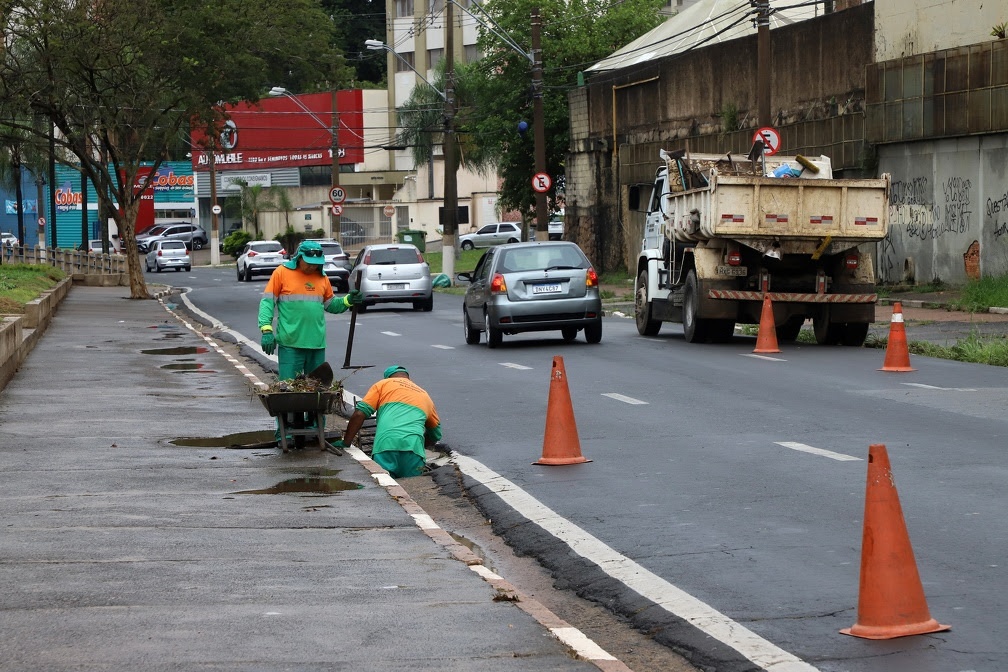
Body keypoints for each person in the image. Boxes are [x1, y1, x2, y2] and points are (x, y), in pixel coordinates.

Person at [257, 239, 362, 379]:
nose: (312, 266)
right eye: (309, 263)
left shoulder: (322, 277)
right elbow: (267, 302)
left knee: (317, 389)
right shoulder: (282, 273)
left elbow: (331, 304)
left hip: (316, 345)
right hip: (291, 344)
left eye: (316, 264)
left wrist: (348, 300)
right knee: (289, 389)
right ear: (299, 257)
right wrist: (266, 330)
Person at [336, 365, 441, 479]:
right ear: (408, 378)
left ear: (388, 378)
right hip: (414, 451)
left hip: (386, 446)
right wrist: (419, 447)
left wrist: (346, 443)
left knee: (382, 488)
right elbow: (435, 434)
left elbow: (359, 414)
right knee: (412, 489)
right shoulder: (425, 395)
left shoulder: (383, 384)